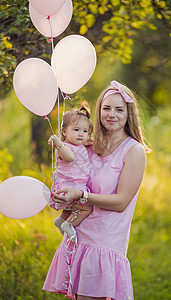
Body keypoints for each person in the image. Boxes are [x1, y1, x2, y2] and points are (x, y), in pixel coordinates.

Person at [43, 80, 149, 300]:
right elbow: (72, 176)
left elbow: (121, 202)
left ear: (129, 114)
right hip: (78, 238)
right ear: (99, 110)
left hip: (104, 244)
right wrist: (63, 194)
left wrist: (82, 195)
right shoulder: (88, 146)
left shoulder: (134, 151)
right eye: (106, 108)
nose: (112, 114)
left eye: (119, 110)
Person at [48, 107, 93, 244]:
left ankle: (61, 220)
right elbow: (70, 157)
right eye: (76, 130)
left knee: (72, 207)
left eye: (85, 131)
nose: (81, 134)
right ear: (64, 131)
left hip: (75, 185)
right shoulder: (64, 148)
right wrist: (58, 143)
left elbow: (80, 145)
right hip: (69, 187)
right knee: (87, 207)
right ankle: (68, 224)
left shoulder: (77, 144)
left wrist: (86, 141)